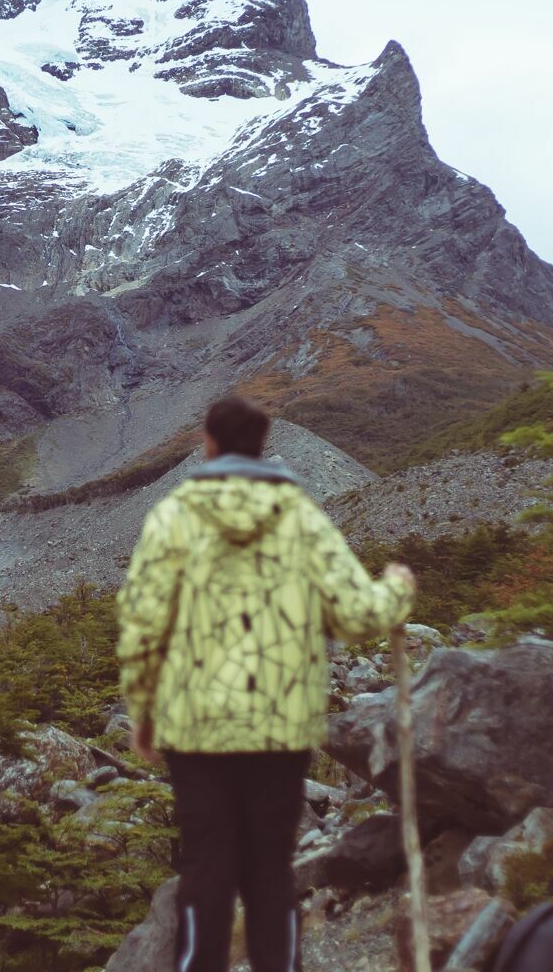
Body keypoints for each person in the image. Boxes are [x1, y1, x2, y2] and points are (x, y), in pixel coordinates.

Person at [116, 396, 415, 972]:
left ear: (208, 444)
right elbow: (356, 616)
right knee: (269, 869)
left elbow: (143, 623)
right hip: (279, 725)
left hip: (194, 724)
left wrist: (143, 710)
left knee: (205, 866)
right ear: (262, 443)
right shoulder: (300, 517)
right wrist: (397, 588)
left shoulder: (173, 517)